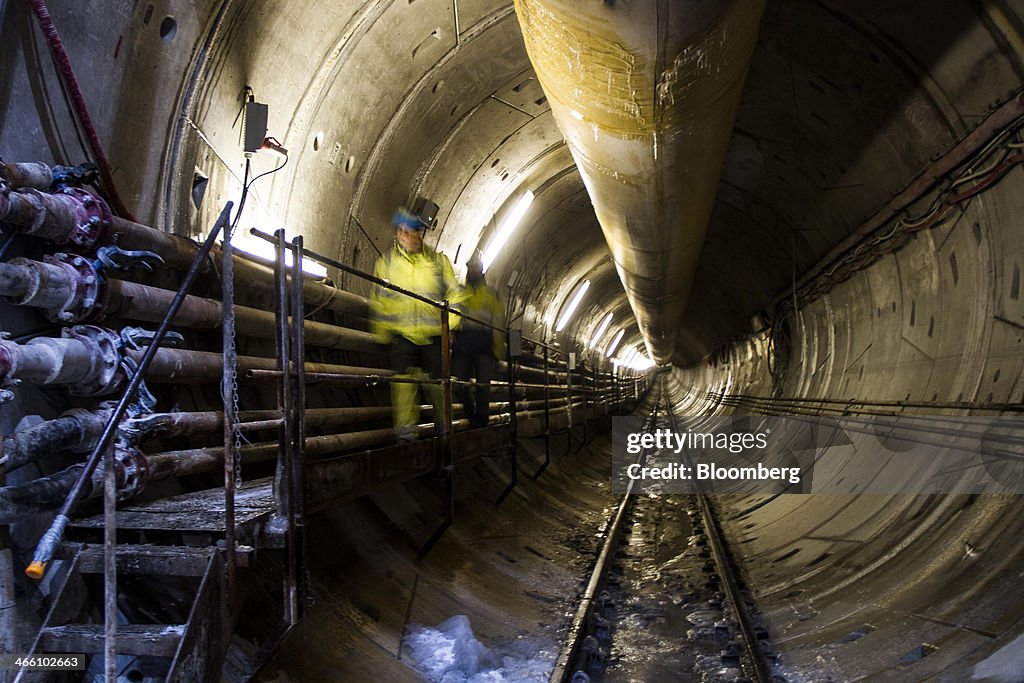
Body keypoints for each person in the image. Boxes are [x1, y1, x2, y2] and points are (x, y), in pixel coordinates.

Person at [370, 207, 461, 443]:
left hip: (433, 337)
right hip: (401, 338)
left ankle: (445, 435)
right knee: (403, 390)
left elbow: (456, 296)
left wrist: (450, 325)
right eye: (412, 232)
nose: (417, 237)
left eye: (419, 232)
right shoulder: (386, 264)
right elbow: (379, 301)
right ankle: (407, 440)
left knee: (439, 389)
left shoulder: (438, 262)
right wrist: (382, 336)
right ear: (400, 232)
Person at [452, 256, 505, 428]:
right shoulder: (459, 292)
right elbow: (453, 317)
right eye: (471, 267)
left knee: (483, 387)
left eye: (476, 267)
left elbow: (498, 323)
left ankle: (481, 422)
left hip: (483, 346)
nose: (473, 270)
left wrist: (498, 352)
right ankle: (471, 412)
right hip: (462, 344)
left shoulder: (491, 294)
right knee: (459, 385)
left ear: (482, 270)